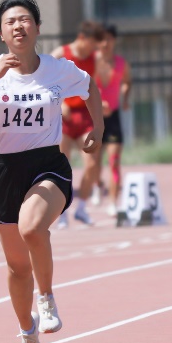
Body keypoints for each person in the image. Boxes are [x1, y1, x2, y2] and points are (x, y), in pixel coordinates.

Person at [0, 0, 103, 343]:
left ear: (37, 28)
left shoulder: (57, 69)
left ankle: (47, 297)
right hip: (5, 169)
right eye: (10, 22)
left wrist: (98, 128)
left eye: (25, 20)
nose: (18, 26)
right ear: (1, 33)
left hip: (47, 164)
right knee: (17, 267)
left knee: (33, 227)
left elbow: (90, 88)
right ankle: (26, 331)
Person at [52, 20, 102, 225]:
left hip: (84, 116)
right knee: (62, 165)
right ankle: (62, 211)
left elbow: (95, 86)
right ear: (82, 38)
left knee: (92, 164)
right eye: (92, 43)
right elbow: (44, 82)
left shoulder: (94, 59)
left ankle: (81, 207)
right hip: (63, 117)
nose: (93, 49)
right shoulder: (60, 54)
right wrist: (60, 102)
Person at [95, 24, 132, 215]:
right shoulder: (91, 62)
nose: (105, 43)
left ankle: (113, 202)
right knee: (94, 162)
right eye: (101, 39)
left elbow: (127, 82)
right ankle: (96, 184)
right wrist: (97, 102)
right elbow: (81, 86)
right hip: (94, 118)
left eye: (108, 39)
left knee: (114, 161)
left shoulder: (121, 63)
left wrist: (124, 98)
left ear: (114, 41)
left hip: (113, 118)